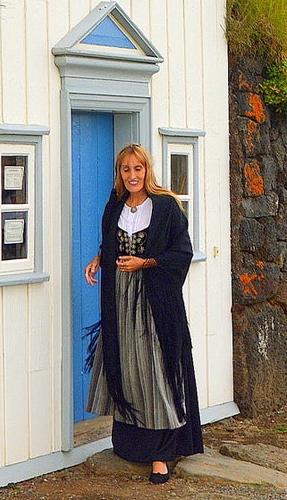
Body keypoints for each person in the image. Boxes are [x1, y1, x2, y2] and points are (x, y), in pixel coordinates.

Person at [84, 142, 203, 484]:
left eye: (138, 169)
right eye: (126, 170)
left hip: (154, 301)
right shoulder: (115, 206)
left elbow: (182, 253)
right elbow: (110, 243)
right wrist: (98, 259)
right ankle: (131, 446)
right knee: (126, 366)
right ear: (120, 174)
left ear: (146, 170)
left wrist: (146, 263)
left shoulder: (166, 207)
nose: (132, 175)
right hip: (119, 299)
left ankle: (162, 457)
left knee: (155, 370)